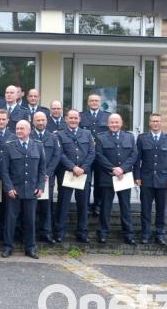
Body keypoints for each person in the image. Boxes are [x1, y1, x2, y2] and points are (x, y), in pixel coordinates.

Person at [0, 120, 46, 259]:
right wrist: (9, 188)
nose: (19, 131)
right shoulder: (9, 146)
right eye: (17, 128)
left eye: (22, 128)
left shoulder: (38, 145)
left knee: (30, 221)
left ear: (29, 130)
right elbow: (4, 170)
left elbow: (42, 169)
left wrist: (40, 186)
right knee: (10, 220)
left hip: (32, 191)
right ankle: (8, 247)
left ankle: (30, 248)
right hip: (14, 191)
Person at [95, 114, 138, 245]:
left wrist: (122, 169)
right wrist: (113, 169)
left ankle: (128, 234)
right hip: (108, 176)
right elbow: (99, 155)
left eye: (117, 122)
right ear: (108, 124)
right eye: (112, 122)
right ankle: (103, 233)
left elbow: (134, 154)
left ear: (121, 123)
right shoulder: (101, 137)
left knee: (125, 207)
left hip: (124, 177)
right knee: (105, 207)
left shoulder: (129, 137)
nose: (114, 125)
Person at [134, 113, 167, 245]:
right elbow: (137, 159)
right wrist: (137, 176)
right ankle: (145, 234)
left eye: (157, 121)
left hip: (163, 180)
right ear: (149, 123)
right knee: (145, 209)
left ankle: (160, 234)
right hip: (146, 179)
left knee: (161, 209)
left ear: (161, 123)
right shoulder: (142, 138)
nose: (155, 123)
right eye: (153, 121)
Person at [55, 109, 96, 244]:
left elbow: (91, 152)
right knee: (63, 204)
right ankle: (60, 232)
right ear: (66, 119)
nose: (73, 120)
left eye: (75, 118)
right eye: (70, 118)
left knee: (83, 204)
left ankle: (82, 232)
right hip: (67, 173)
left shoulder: (87, 133)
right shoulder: (60, 134)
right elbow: (60, 154)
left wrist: (83, 168)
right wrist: (73, 167)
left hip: (83, 174)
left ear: (79, 119)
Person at [32, 111, 61, 244]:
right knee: (31, 207)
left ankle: (46, 232)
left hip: (47, 178)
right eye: (38, 120)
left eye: (42, 120)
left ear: (46, 121)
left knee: (46, 206)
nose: (40, 122)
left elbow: (56, 156)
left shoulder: (53, 137)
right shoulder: (29, 135)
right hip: (31, 178)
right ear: (33, 121)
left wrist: (46, 173)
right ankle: (30, 233)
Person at [80, 93, 111, 218]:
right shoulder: (82, 116)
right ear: (88, 102)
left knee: (99, 181)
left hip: (100, 155)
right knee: (86, 182)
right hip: (85, 154)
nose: (94, 102)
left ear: (100, 102)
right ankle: (85, 206)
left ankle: (97, 205)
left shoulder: (107, 116)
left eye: (96, 101)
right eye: (91, 100)